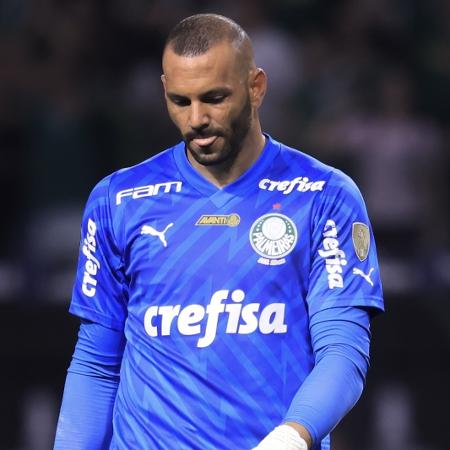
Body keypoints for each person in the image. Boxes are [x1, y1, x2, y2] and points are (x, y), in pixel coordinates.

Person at [53, 13, 384, 450]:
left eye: (214, 98)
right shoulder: (119, 200)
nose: (197, 120)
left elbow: (343, 351)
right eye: (180, 101)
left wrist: (290, 437)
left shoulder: (323, 196)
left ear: (256, 87)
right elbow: (96, 364)